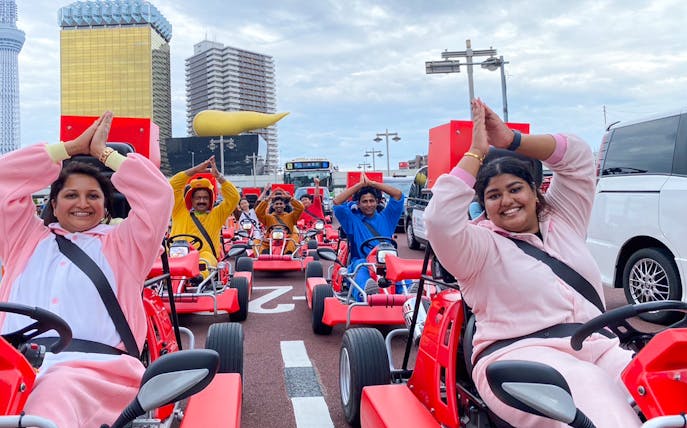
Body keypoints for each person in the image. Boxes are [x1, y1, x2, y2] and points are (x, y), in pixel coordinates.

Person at [424, 99, 639, 427]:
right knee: (593, 393)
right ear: (483, 205)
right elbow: (439, 221)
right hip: (515, 359)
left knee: (662, 381)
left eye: (515, 189)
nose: (507, 201)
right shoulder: (477, 245)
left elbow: (578, 155)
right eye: (493, 196)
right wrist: (476, 152)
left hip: (599, 346)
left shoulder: (564, 218)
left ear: (536, 191)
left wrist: (512, 140)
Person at [0, 111, 174, 427]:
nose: (82, 203)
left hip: (96, 371)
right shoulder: (24, 238)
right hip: (12, 366)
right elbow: (2, 177)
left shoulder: (125, 245)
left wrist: (104, 154)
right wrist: (68, 148)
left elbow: (158, 195)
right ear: (53, 204)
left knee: (52, 393)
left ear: (106, 207)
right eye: (71, 195)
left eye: (93, 195)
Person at [332, 171, 404, 302]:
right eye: (364, 201)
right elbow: (337, 202)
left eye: (371, 201)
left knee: (400, 269)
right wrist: (360, 186)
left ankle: (409, 291)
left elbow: (398, 195)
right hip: (363, 262)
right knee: (360, 266)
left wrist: (372, 184)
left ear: (377, 202)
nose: (369, 204)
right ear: (358, 204)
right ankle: (367, 293)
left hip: (387, 263)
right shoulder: (353, 221)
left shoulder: (387, 218)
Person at [169, 156, 240, 269]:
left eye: (205, 198)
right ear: (191, 199)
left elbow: (234, 197)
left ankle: (197, 282)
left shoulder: (217, 214)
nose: (201, 201)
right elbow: (172, 186)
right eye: (198, 198)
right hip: (175, 255)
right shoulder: (179, 210)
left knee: (203, 266)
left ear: (210, 200)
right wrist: (194, 170)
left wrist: (218, 176)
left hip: (204, 257)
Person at [255, 188, 304, 254]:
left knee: (295, 236)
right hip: (271, 240)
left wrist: (290, 198)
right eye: (277, 204)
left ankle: (288, 253)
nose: (279, 206)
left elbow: (300, 208)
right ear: (273, 206)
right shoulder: (268, 217)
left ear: (284, 206)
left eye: (281, 204)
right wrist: (267, 199)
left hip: (287, 240)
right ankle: (263, 254)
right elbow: (258, 212)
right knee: (255, 241)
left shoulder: (291, 216)